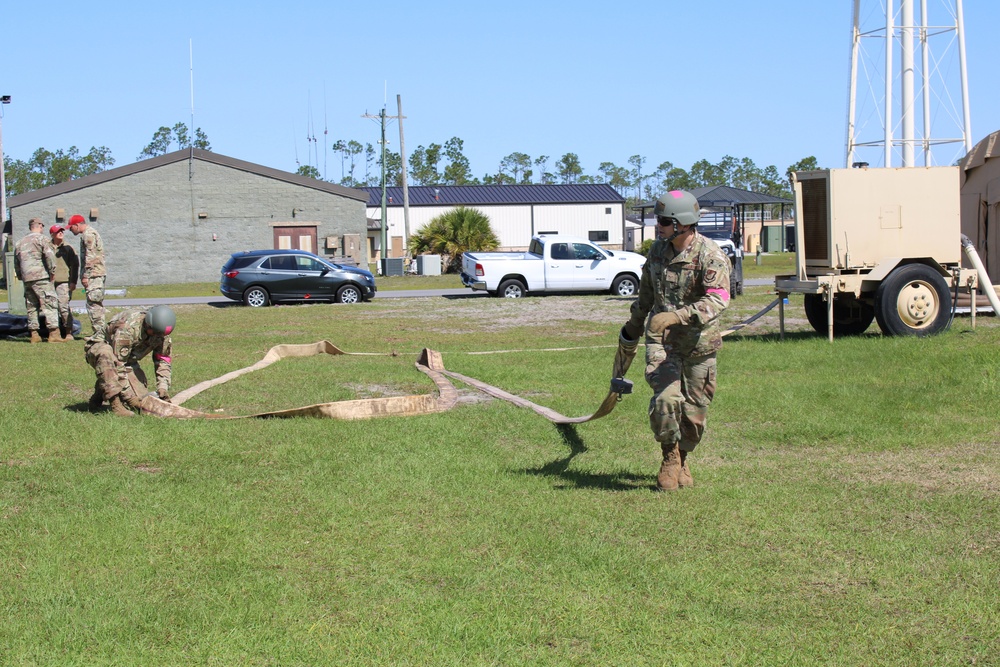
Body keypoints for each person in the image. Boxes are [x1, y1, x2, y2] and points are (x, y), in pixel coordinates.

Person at [621, 190, 731, 491]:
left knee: (695, 414)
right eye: (658, 220)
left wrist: (678, 316)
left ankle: (683, 456)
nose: (659, 226)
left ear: (683, 223)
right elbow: (646, 292)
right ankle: (669, 458)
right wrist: (634, 323)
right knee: (666, 400)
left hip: (700, 346)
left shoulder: (711, 255)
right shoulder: (657, 251)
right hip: (663, 345)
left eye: (665, 221)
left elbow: (718, 300)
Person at [85, 306, 176, 417]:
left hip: (128, 361)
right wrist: (129, 397)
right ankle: (115, 404)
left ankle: (101, 390)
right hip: (101, 351)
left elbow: (163, 360)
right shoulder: (127, 328)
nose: (158, 337)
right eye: (155, 333)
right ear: (147, 324)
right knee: (106, 355)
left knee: (141, 403)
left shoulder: (160, 333)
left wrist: (163, 387)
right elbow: (118, 364)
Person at [12, 218, 63, 344]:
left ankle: (34, 334)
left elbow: (16, 262)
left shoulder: (20, 242)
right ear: (39, 226)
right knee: (50, 303)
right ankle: (54, 333)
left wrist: (20, 275)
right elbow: (49, 256)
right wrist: (52, 272)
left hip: (27, 278)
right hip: (41, 276)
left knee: (31, 306)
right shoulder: (42, 239)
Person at [66, 214, 106, 338]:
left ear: (77, 225)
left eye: (71, 227)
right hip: (95, 274)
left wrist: (85, 276)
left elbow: (90, 256)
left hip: (94, 275)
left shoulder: (88, 235)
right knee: (94, 303)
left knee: (93, 304)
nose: (70, 230)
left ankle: (100, 334)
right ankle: (100, 333)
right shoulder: (88, 234)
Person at [49, 224, 80, 340]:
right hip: (49, 282)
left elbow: (75, 265)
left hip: (64, 282)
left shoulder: (68, 248)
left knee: (64, 306)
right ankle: (54, 332)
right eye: (58, 231)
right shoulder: (46, 247)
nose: (61, 233)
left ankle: (68, 331)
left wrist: (73, 282)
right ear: (52, 234)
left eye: (62, 231)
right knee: (51, 307)